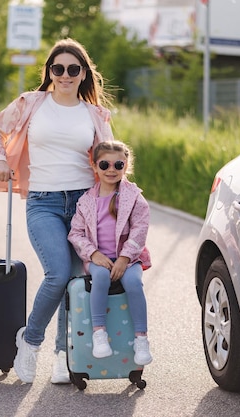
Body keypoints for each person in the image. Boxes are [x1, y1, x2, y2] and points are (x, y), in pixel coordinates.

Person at [0, 38, 115, 384]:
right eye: (59, 69)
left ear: (84, 73)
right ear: (50, 72)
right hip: (44, 201)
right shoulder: (31, 103)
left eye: (74, 69)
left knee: (74, 280)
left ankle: (63, 355)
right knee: (57, 273)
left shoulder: (95, 115)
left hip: (84, 206)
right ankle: (30, 342)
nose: (66, 75)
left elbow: (110, 160)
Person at [68, 140, 153, 366]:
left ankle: (141, 339)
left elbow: (140, 228)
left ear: (126, 167)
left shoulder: (134, 197)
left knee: (134, 283)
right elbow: (75, 233)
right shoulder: (86, 201)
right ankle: (99, 334)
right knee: (101, 277)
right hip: (99, 259)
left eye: (118, 165)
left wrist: (125, 259)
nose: (111, 170)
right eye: (105, 165)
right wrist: (93, 254)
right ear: (95, 167)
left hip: (129, 258)